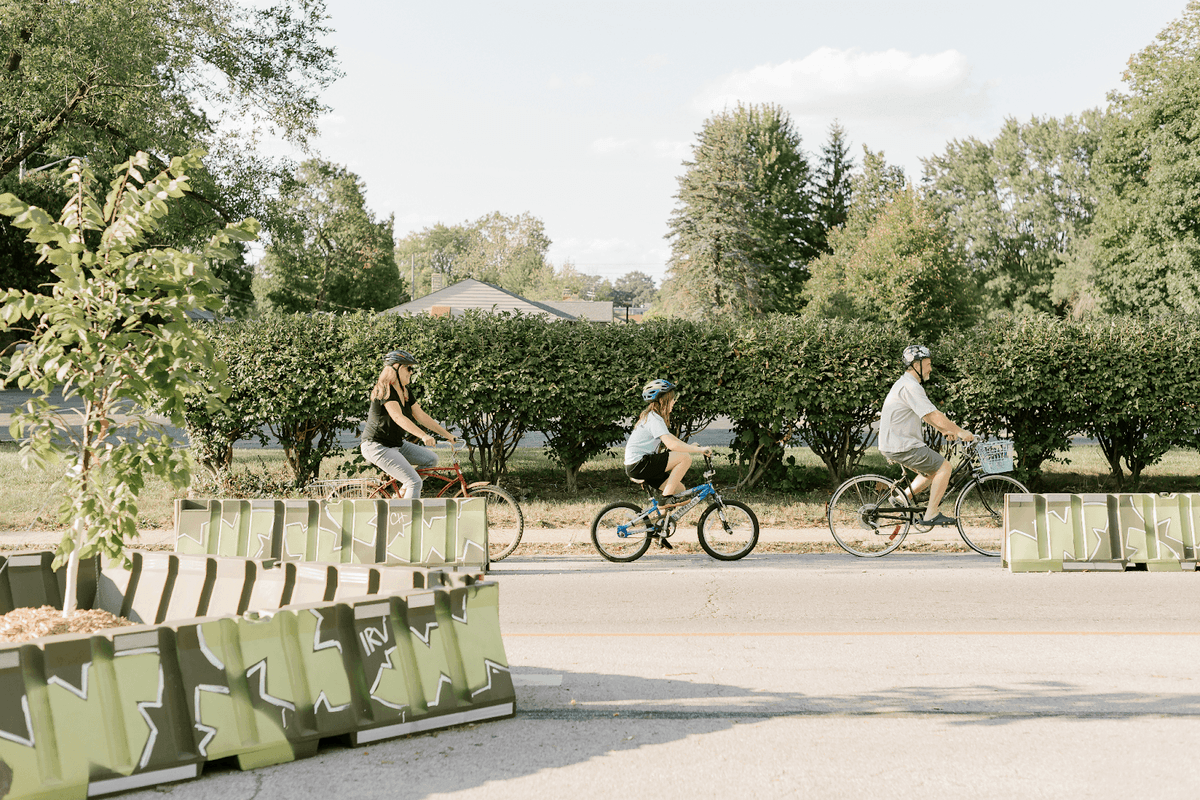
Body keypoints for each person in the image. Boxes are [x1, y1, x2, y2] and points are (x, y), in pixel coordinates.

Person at [878, 345, 975, 529]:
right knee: (944, 468)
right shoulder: (910, 386)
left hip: (898, 443)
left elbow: (925, 414)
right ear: (917, 365)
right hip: (902, 445)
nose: (930, 368)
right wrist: (960, 431)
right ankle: (931, 514)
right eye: (928, 364)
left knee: (932, 471)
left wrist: (944, 430)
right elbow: (931, 414)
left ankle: (902, 498)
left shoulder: (907, 384)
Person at [360, 349, 456, 498]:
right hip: (376, 446)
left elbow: (421, 416)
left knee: (431, 459)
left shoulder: (405, 391)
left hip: (395, 444)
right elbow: (398, 418)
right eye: (409, 368)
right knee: (414, 482)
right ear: (395, 368)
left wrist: (447, 435)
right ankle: (406, 520)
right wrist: (423, 436)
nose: (411, 372)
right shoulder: (385, 389)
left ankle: (403, 494)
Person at [623, 379, 713, 500]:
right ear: (662, 401)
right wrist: (700, 450)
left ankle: (662, 516)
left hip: (638, 465)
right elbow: (672, 445)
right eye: (671, 399)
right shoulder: (654, 419)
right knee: (685, 458)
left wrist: (691, 447)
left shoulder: (653, 417)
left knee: (680, 490)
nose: (674, 402)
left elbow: (672, 440)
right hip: (639, 464)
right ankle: (665, 500)